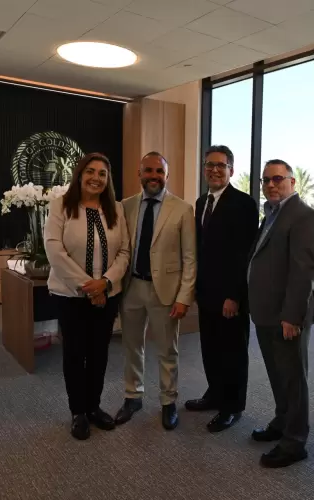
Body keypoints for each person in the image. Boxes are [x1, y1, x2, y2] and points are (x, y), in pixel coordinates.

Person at [44, 152, 130, 441]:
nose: (96, 178)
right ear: (80, 175)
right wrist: (87, 286)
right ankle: (77, 411)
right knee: (74, 353)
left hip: (107, 294)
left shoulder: (116, 209)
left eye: (102, 173)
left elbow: (124, 252)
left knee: (99, 354)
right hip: (70, 295)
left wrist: (104, 283)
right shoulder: (61, 207)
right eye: (90, 171)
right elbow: (55, 250)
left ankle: (93, 406)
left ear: (108, 179)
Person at [247, 159, 314, 468]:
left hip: (287, 314)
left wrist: (292, 316)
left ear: (293, 182)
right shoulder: (273, 214)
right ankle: (282, 422)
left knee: (293, 378)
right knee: (278, 373)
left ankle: (295, 441)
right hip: (267, 311)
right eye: (266, 180)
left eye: (278, 179)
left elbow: (304, 271)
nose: (271, 185)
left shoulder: (304, 217)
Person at [115, 151, 196, 430]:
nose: (153, 176)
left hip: (166, 291)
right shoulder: (125, 206)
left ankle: (168, 401)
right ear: (139, 174)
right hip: (132, 287)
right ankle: (132, 396)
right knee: (131, 347)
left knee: (167, 350)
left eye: (159, 172)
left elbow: (190, 259)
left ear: (166, 175)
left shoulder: (182, 209)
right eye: (148, 171)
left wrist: (185, 297)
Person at [184, 145, 259, 433]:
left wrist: (235, 295)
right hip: (206, 292)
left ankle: (232, 406)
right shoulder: (201, 202)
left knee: (233, 351)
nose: (214, 170)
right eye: (209, 165)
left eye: (220, 165)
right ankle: (215, 394)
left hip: (231, 295)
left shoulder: (244, 203)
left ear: (231, 170)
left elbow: (245, 254)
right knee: (211, 347)